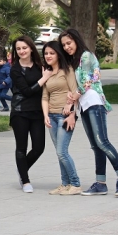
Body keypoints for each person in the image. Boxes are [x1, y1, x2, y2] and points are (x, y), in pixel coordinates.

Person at [60, 28, 118, 197]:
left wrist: (71, 99)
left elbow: (86, 82)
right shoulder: (76, 61)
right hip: (84, 105)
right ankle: (100, 183)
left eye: (68, 43)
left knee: (102, 141)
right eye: (63, 45)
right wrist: (74, 98)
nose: (66, 47)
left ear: (76, 40)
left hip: (93, 102)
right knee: (95, 145)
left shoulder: (86, 55)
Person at [10, 35, 52, 193]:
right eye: (18, 49)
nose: (22, 51)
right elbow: (26, 92)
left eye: (24, 48)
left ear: (31, 48)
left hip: (38, 112)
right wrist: (44, 78)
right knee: (21, 147)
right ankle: (25, 180)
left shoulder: (40, 65)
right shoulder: (15, 69)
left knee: (39, 147)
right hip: (20, 112)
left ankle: (22, 169)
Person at [41, 40, 82, 195]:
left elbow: (74, 91)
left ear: (58, 54)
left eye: (52, 53)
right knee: (59, 152)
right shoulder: (47, 72)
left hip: (65, 116)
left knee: (62, 151)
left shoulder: (68, 70)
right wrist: (45, 115)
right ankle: (65, 184)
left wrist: (72, 114)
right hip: (51, 116)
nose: (48, 56)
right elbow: (45, 97)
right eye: (46, 53)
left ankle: (76, 184)